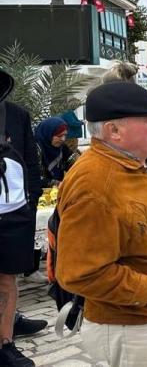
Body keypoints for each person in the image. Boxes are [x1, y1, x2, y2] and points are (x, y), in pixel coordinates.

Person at [55, 81, 147, 367]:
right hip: (136, 327)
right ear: (114, 130)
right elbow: (79, 272)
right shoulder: (94, 182)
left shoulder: (132, 164)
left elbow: (133, 223)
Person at [0, 70, 44, 367]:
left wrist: (31, 203)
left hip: (13, 213)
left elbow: (30, 160)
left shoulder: (16, 114)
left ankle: (5, 343)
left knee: (7, 281)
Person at [34, 117, 73, 188]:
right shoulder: (34, 149)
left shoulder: (62, 147)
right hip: (38, 193)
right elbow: (33, 178)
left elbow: (72, 161)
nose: (63, 139)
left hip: (55, 192)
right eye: (59, 136)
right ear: (48, 134)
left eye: (65, 135)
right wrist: (57, 184)